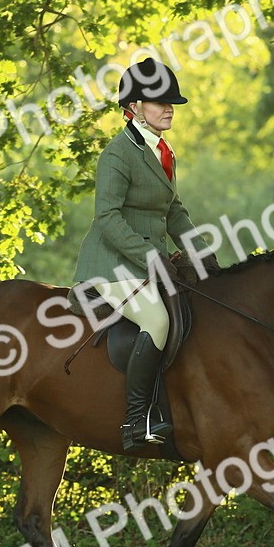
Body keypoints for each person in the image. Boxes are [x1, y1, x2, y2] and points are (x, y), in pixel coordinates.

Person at [72, 58, 218, 451]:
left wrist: (203, 255)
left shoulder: (163, 151)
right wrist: (151, 256)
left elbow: (174, 212)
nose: (169, 107)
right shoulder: (118, 154)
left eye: (172, 102)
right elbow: (107, 216)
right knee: (156, 319)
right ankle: (136, 419)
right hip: (112, 265)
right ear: (134, 106)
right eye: (159, 101)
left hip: (148, 263)